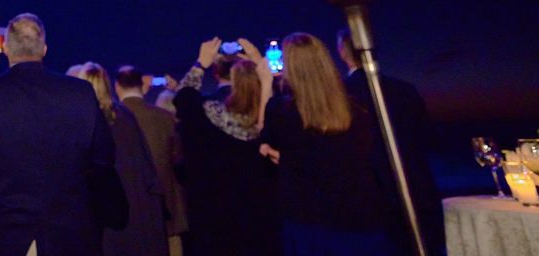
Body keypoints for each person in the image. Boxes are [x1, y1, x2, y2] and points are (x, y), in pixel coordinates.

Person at [0, 13, 126, 256]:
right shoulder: (79, 93)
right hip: (72, 237)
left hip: (5, 238)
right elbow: (103, 163)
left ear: (6, 49)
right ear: (44, 49)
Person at [262, 33, 396, 255]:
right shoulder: (355, 109)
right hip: (361, 217)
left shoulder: (281, 111)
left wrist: (267, 82)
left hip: (310, 222)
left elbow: (265, 143)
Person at [337, 30, 445, 255]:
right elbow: (429, 138)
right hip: (416, 190)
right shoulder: (405, 90)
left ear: (342, 52)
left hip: (369, 200)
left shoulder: (340, 95)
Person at [173, 37, 279, 256]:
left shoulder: (206, 115)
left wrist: (200, 64)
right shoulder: (267, 123)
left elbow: (183, 99)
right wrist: (262, 67)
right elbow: (274, 105)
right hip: (259, 224)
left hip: (215, 222)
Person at [79, 63, 167, 256]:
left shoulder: (82, 122)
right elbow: (145, 168)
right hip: (135, 211)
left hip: (103, 218)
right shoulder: (124, 117)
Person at [115, 66, 189, 256]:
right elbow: (179, 159)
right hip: (166, 211)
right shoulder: (164, 118)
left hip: (127, 215)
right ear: (143, 86)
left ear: (117, 87)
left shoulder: (112, 119)